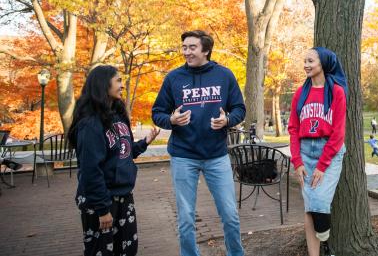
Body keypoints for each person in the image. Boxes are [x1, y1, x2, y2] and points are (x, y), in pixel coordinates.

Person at [152, 30, 246, 256]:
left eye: (192, 47)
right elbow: (157, 113)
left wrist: (227, 120)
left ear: (206, 50)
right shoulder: (174, 78)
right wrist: (172, 120)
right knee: (185, 219)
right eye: (184, 47)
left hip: (217, 156)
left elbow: (239, 109)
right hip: (184, 156)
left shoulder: (224, 75)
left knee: (230, 215)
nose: (186, 52)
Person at [68, 65, 160, 256]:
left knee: (127, 250)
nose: (122, 85)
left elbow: (122, 153)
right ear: (103, 84)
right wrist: (102, 209)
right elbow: (90, 170)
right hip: (101, 201)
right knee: (102, 252)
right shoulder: (90, 124)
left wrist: (144, 143)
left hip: (124, 196)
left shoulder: (117, 116)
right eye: (118, 80)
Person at [288, 47, 347, 256]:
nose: (306, 64)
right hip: (305, 153)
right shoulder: (300, 94)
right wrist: (297, 162)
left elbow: (338, 134)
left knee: (319, 201)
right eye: (304, 60)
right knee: (309, 206)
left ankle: (326, 242)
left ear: (323, 63)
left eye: (311, 61)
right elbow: (293, 129)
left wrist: (322, 166)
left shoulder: (336, 92)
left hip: (329, 153)